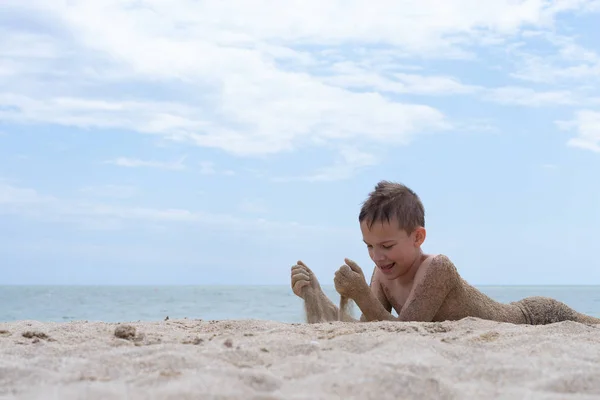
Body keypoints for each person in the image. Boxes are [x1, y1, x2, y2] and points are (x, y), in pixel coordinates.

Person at [290, 180, 600, 325]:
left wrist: (360, 293)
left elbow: (406, 329)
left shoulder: (437, 268)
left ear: (418, 237)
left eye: (386, 246)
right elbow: (372, 324)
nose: (377, 256)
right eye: (369, 247)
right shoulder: (382, 274)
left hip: (532, 317)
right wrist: (316, 296)